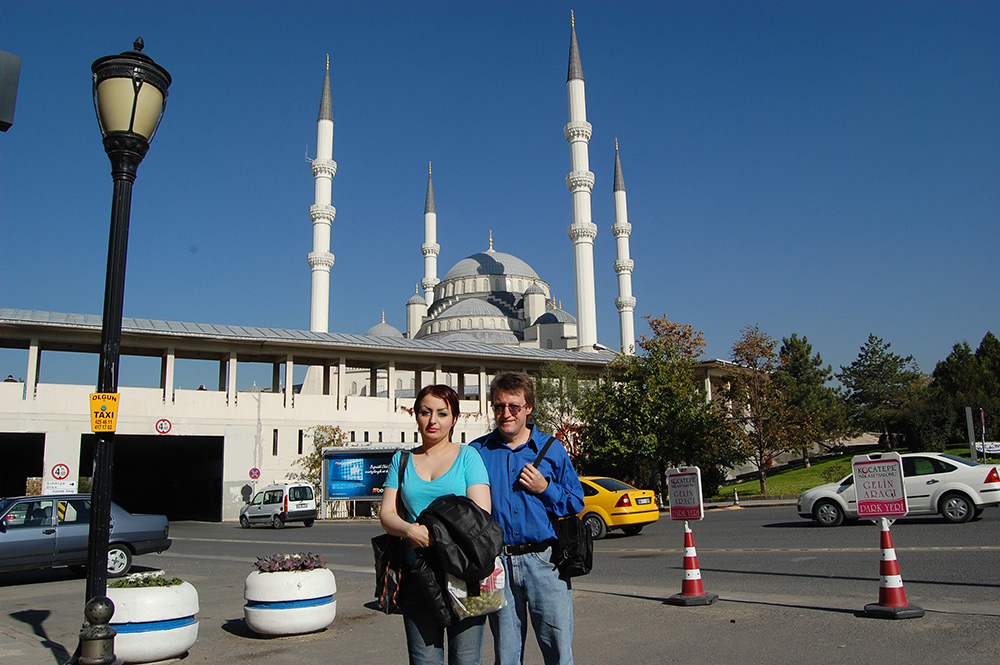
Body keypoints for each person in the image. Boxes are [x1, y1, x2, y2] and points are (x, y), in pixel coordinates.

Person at [472, 372, 584, 665]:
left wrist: (545, 489)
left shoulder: (551, 449)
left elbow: (576, 502)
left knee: (559, 650)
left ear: (528, 408)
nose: (505, 413)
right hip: (498, 564)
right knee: (506, 654)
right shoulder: (478, 452)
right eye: (498, 406)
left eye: (514, 406)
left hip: (544, 562)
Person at [380, 384, 492, 665]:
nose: (433, 421)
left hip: (466, 575)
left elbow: (480, 514)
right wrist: (409, 529)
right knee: (423, 659)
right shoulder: (402, 460)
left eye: (442, 413)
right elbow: (387, 515)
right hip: (418, 576)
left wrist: (436, 534)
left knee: (466, 660)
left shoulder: (468, 457)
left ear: (454, 418)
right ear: (416, 416)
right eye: (425, 412)